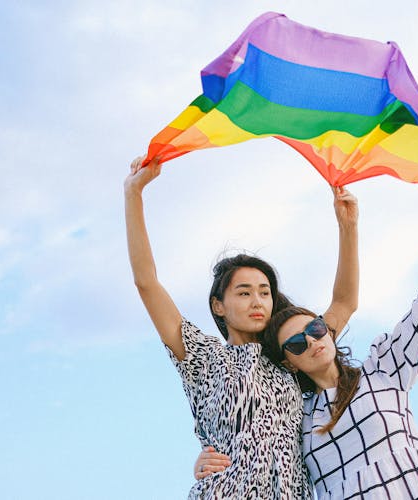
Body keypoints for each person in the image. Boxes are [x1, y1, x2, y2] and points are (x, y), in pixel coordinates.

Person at [197, 179, 418, 499]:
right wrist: (209, 463)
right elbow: (251, 451)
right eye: (297, 343)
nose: (311, 342)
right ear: (289, 363)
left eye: (315, 330)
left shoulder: (383, 371)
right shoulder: (297, 418)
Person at [124, 155, 359, 499]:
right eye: (244, 292)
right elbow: (147, 282)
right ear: (219, 305)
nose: (257, 301)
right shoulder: (202, 358)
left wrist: (348, 227)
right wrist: (134, 193)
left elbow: (344, 303)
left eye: (265, 292)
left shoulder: (292, 353)